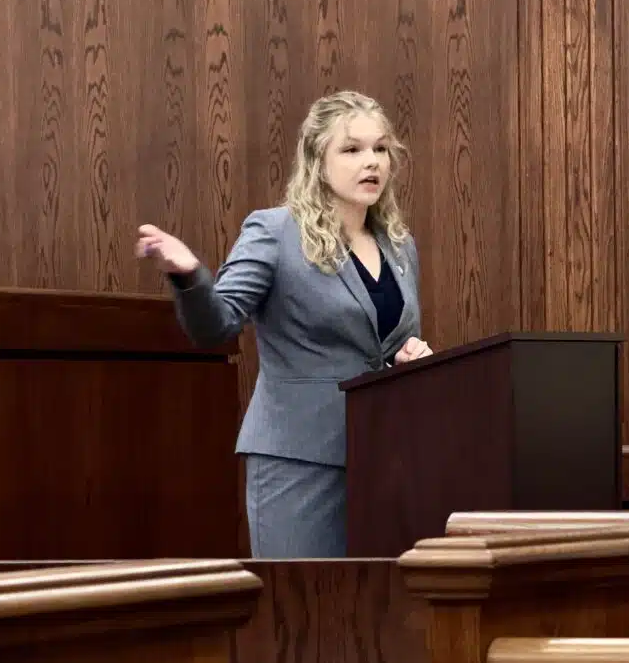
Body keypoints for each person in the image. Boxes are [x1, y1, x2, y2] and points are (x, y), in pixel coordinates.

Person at [135, 90, 432, 558]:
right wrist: (189, 275)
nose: (371, 162)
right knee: (301, 598)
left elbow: (386, 343)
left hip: (385, 458)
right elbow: (216, 326)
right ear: (317, 160)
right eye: (351, 149)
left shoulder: (398, 244)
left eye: (380, 148)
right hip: (300, 460)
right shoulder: (274, 232)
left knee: (379, 600)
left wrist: (412, 359)